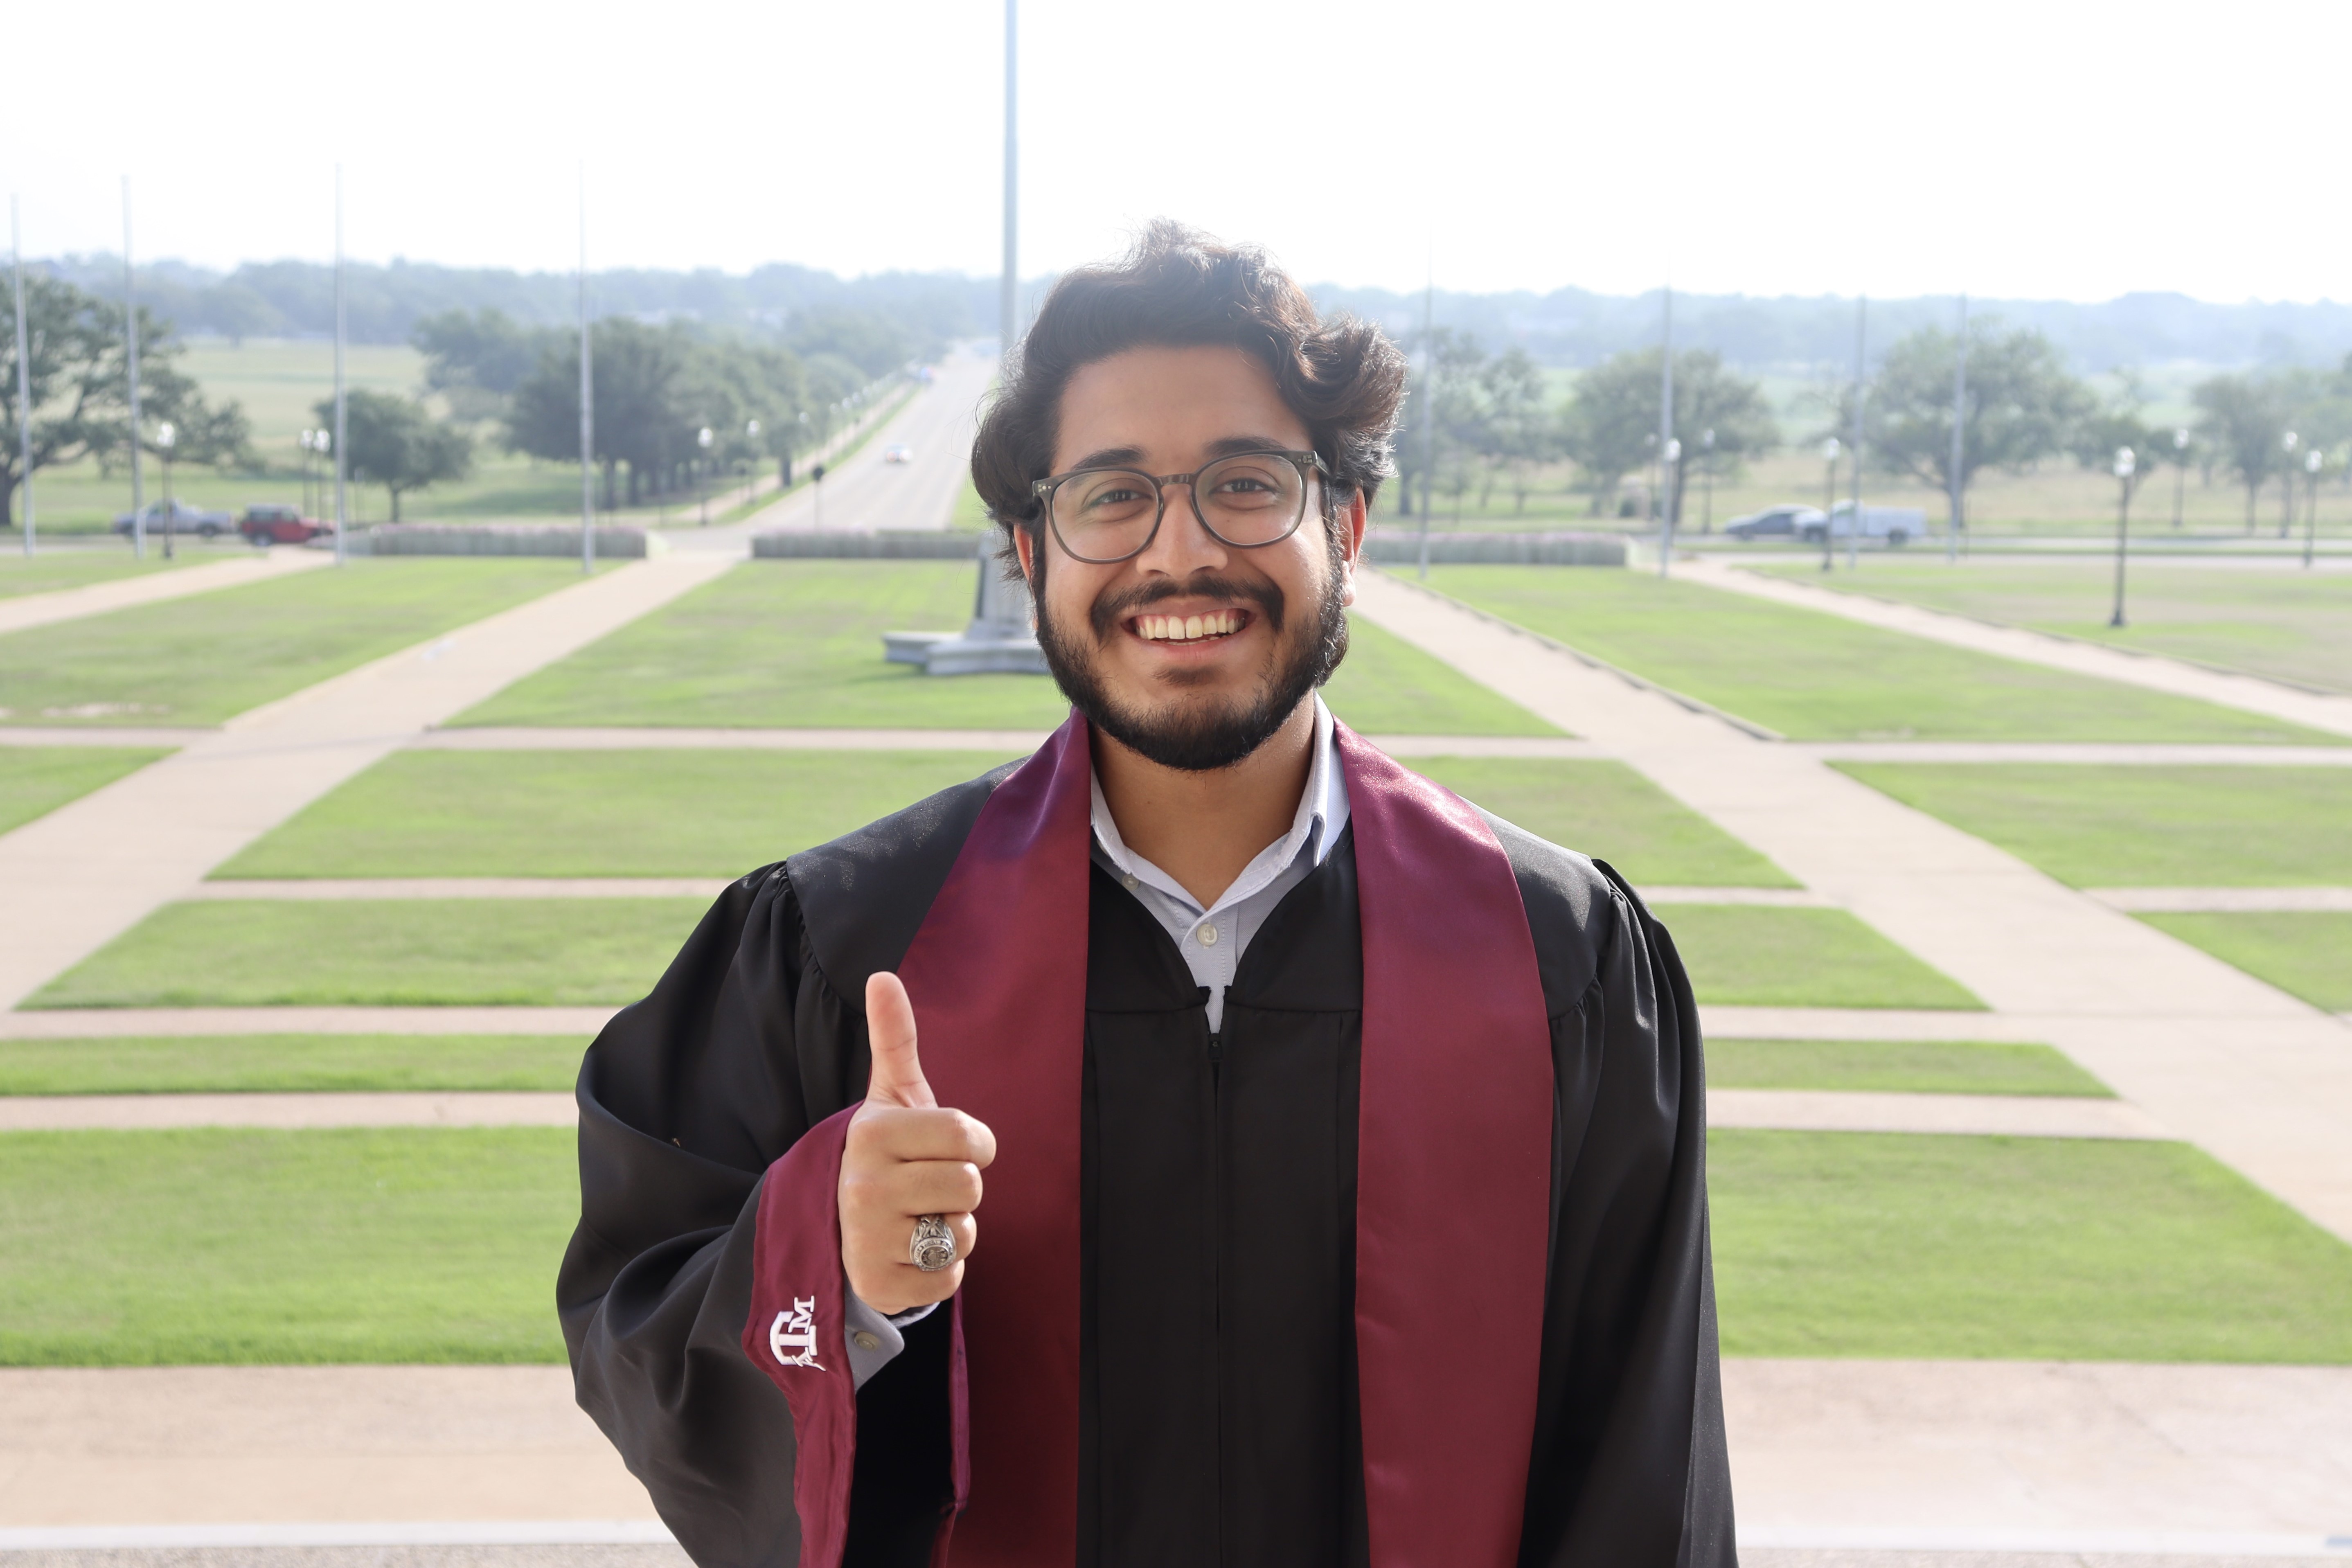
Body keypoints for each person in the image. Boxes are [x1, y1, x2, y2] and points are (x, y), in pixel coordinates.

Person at [561, 221, 1735, 1568]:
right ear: (1030, 550)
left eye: (1246, 484)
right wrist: (829, 1271)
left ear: (1343, 525)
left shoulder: (1560, 969)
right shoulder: (842, 949)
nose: (1179, 554)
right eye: (1111, 496)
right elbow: (637, 1327)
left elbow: (1647, 1474)